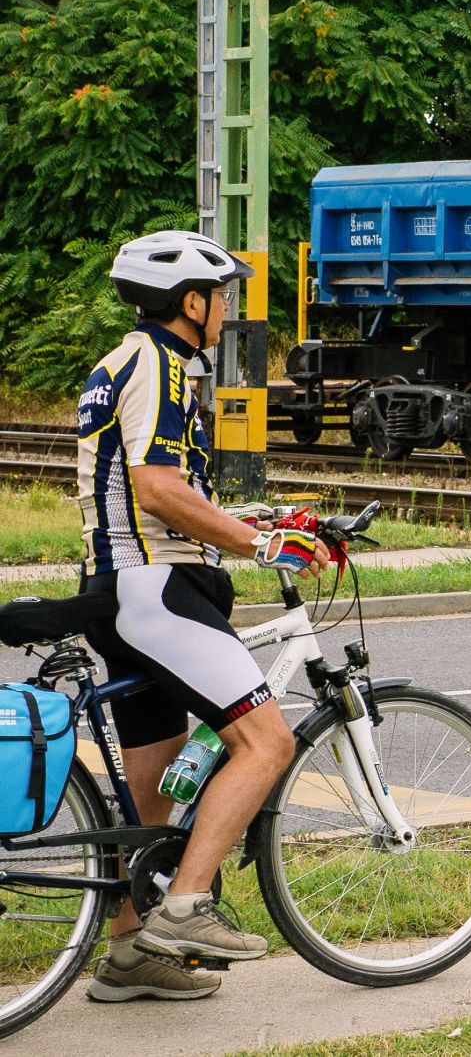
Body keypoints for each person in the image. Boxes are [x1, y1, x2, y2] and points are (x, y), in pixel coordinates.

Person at [75, 230, 323, 1001]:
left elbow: (164, 492)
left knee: (149, 797)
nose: (227, 309)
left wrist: (254, 515)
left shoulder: (127, 362)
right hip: (157, 590)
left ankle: (128, 952)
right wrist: (257, 545)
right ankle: (186, 905)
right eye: (221, 295)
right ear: (190, 301)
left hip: (118, 590)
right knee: (266, 740)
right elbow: (155, 489)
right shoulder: (158, 363)